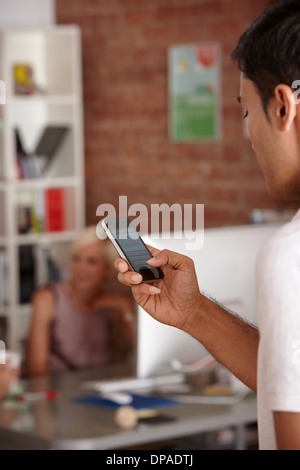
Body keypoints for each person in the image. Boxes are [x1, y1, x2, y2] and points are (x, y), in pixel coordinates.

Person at [114, 0, 300, 451]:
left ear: (282, 108)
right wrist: (194, 311)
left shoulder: (290, 254)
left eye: (244, 112)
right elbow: (288, 379)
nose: (247, 134)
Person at [25, 226, 136, 377]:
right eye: (76, 259)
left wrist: (125, 309)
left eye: (91, 262)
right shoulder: (47, 298)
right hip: (57, 389)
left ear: (107, 270)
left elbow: (142, 350)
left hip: (97, 386)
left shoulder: (112, 301)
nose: (80, 269)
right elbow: (37, 370)